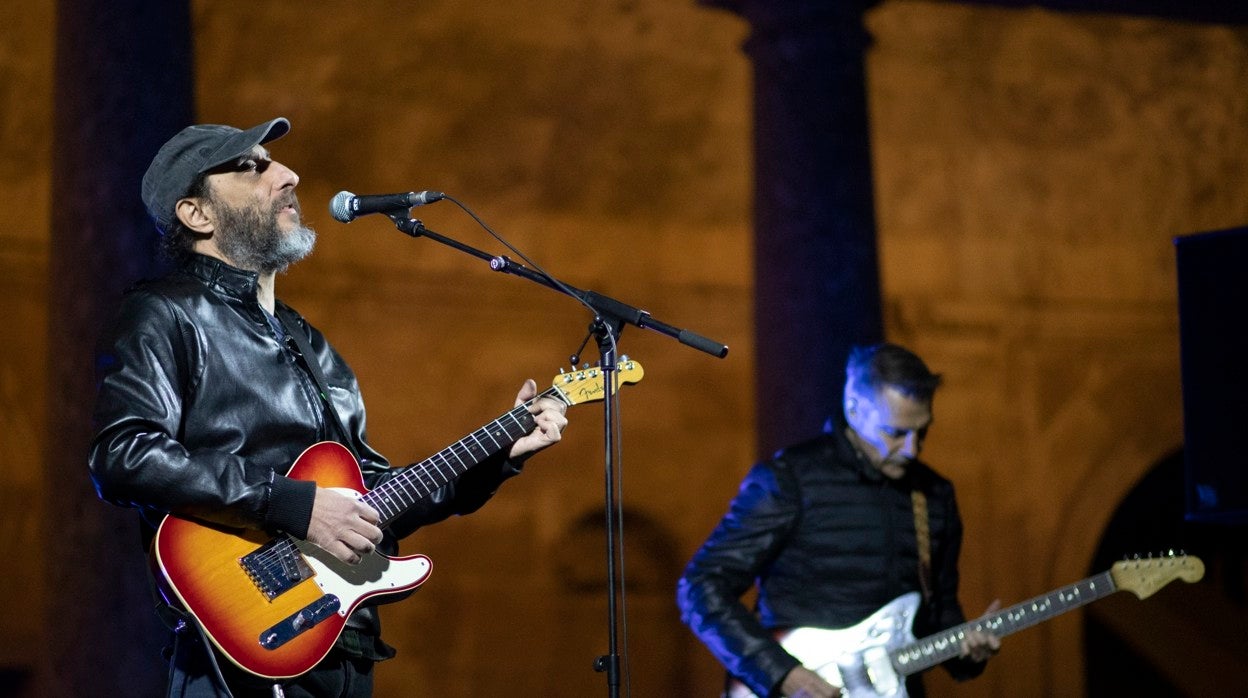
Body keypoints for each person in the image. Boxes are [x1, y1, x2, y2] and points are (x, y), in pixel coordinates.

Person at [88, 116, 569, 697]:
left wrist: (499, 453)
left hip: (342, 644)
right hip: (239, 646)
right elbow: (124, 453)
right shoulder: (166, 313)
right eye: (250, 166)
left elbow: (372, 495)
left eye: (275, 161)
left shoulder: (309, 342)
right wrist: (293, 505)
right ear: (198, 215)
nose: (288, 175)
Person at [676, 343, 1000, 698]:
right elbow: (700, 586)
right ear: (854, 408)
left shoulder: (935, 495)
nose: (912, 449)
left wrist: (969, 652)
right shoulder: (790, 479)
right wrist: (781, 673)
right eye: (895, 433)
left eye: (921, 432)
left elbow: (940, 615)